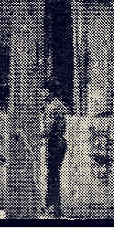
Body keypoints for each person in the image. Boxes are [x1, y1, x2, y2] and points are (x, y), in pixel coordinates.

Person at [41, 80, 69, 218]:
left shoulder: (52, 107)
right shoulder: (60, 105)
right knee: (54, 175)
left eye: (44, 90)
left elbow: (49, 128)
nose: (42, 93)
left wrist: (38, 134)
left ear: (50, 91)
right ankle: (53, 207)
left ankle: (52, 208)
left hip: (54, 142)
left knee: (52, 176)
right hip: (60, 142)